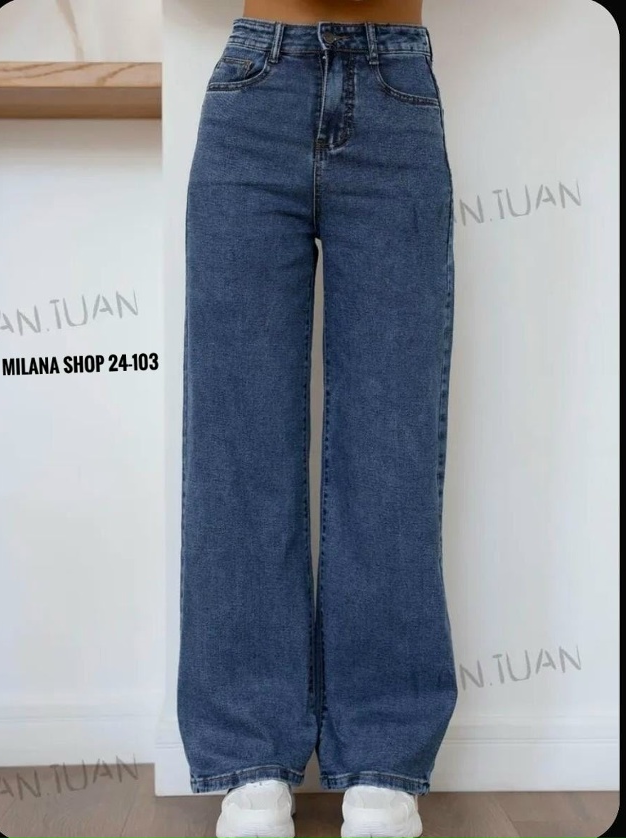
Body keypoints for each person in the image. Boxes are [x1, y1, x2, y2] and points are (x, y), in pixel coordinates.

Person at [177, 0, 457, 835]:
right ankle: (250, 756)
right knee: (237, 443)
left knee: (392, 441)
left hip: (397, 91)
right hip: (251, 88)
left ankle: (383, 757)